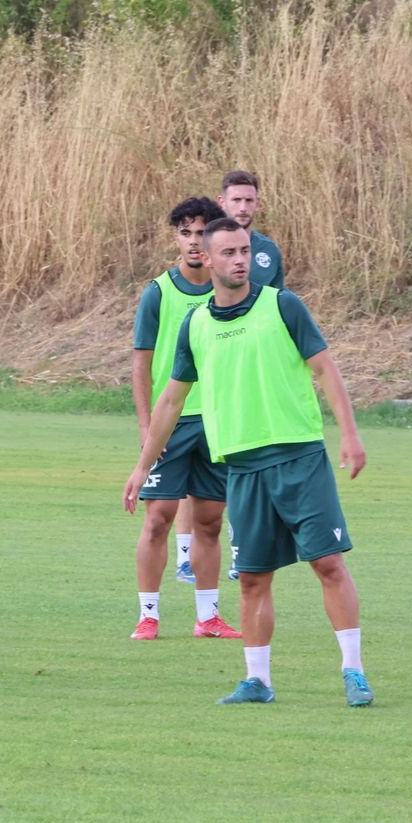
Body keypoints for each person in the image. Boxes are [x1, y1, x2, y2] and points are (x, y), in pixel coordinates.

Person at [124, 217, 374, 708]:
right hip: (242, 467)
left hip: (299, 456)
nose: (241, 260)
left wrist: (349, 433)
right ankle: (257, 680)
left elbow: (325, 368)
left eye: (245, 251)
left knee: (327, 563)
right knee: (255, 577)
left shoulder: (283, 305)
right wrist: (141, 467)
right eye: (230, 252)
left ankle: (354, 671)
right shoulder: (194, 325)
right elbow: (171, 403)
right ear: (208, 259)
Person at [128, 198, 240, 642]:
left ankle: (208, 617)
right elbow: (141, 363)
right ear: (176, 237)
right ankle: (148, 615)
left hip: (216, 423)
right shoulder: (159, 292)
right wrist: (144, 426)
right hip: (169, 423)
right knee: (158, 517)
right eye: (186, 233)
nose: (194, 242)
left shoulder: (229, 292)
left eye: (201, 233)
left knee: (210, 520)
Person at [208, 169, 285, 580]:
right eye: (236, 199)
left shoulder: (269, 252)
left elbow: (279, 304)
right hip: (221, 369)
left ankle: (249, 549)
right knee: (215, 467)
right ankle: (190, 553)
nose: (243, 207)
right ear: (222, 202)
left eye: (249, 200)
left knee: (257, 466)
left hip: (259, 373)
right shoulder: (208, 249)